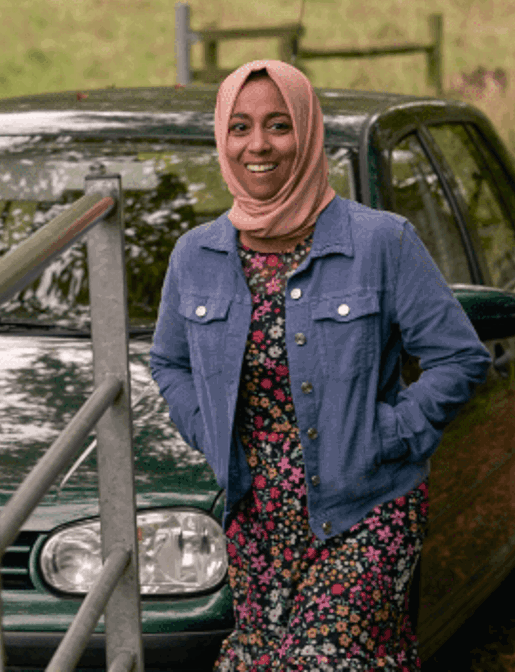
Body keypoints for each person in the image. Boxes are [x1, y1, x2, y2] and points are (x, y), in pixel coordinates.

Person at [149, 59, 491, 671]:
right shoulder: (195, 255)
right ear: (222, 139)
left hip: (367, 508)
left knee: (321, 659)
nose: (259, 145)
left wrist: (391, 434)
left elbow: (459, 357)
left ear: (307, 133)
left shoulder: (381, 242)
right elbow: (169, 361)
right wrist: (209, 432)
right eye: (241, 127)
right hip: (259, 523)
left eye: (279, 125)